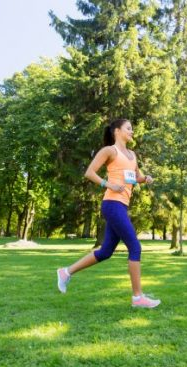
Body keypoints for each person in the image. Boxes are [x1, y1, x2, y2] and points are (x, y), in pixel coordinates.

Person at [56, 119, 161, 309]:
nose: (132, 131)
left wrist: (145, 179)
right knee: (135, 248)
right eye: (128, 128)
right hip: (112, 204)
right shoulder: (109, 151)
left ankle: (65, 272)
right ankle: (138, 298)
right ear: (117, 131)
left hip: (122, 205)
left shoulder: (132, 154)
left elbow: (135, 177)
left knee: (105, 252)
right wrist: (108, 184)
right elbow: (90, 172)